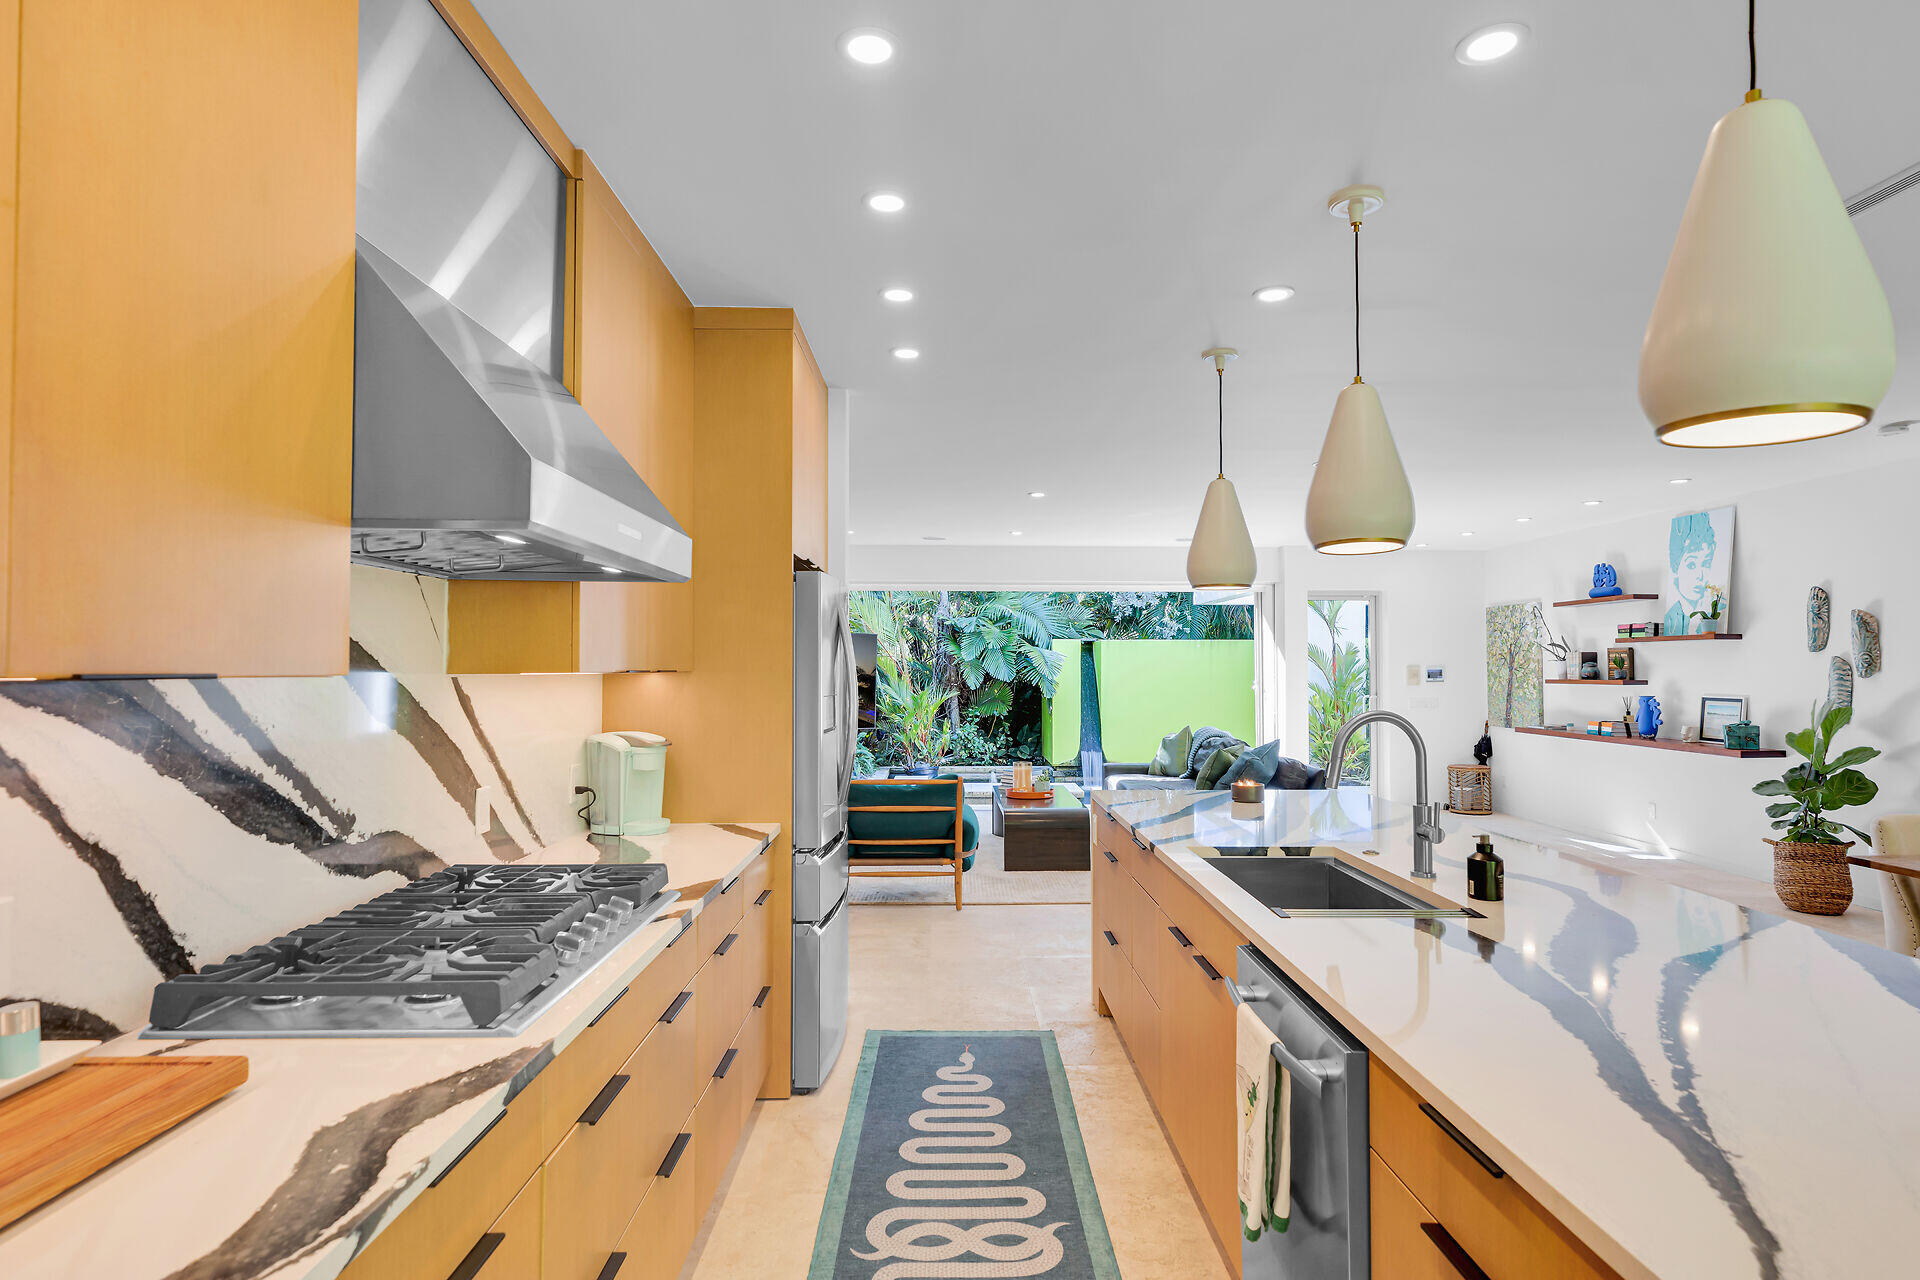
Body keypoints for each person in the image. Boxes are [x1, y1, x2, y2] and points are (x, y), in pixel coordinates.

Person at [1664, 513, 1718, 636]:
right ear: (1676, 566)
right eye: (1691, 565)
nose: (1701, 575)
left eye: (1706, 564)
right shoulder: (1671, 618)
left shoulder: (1713, 608)